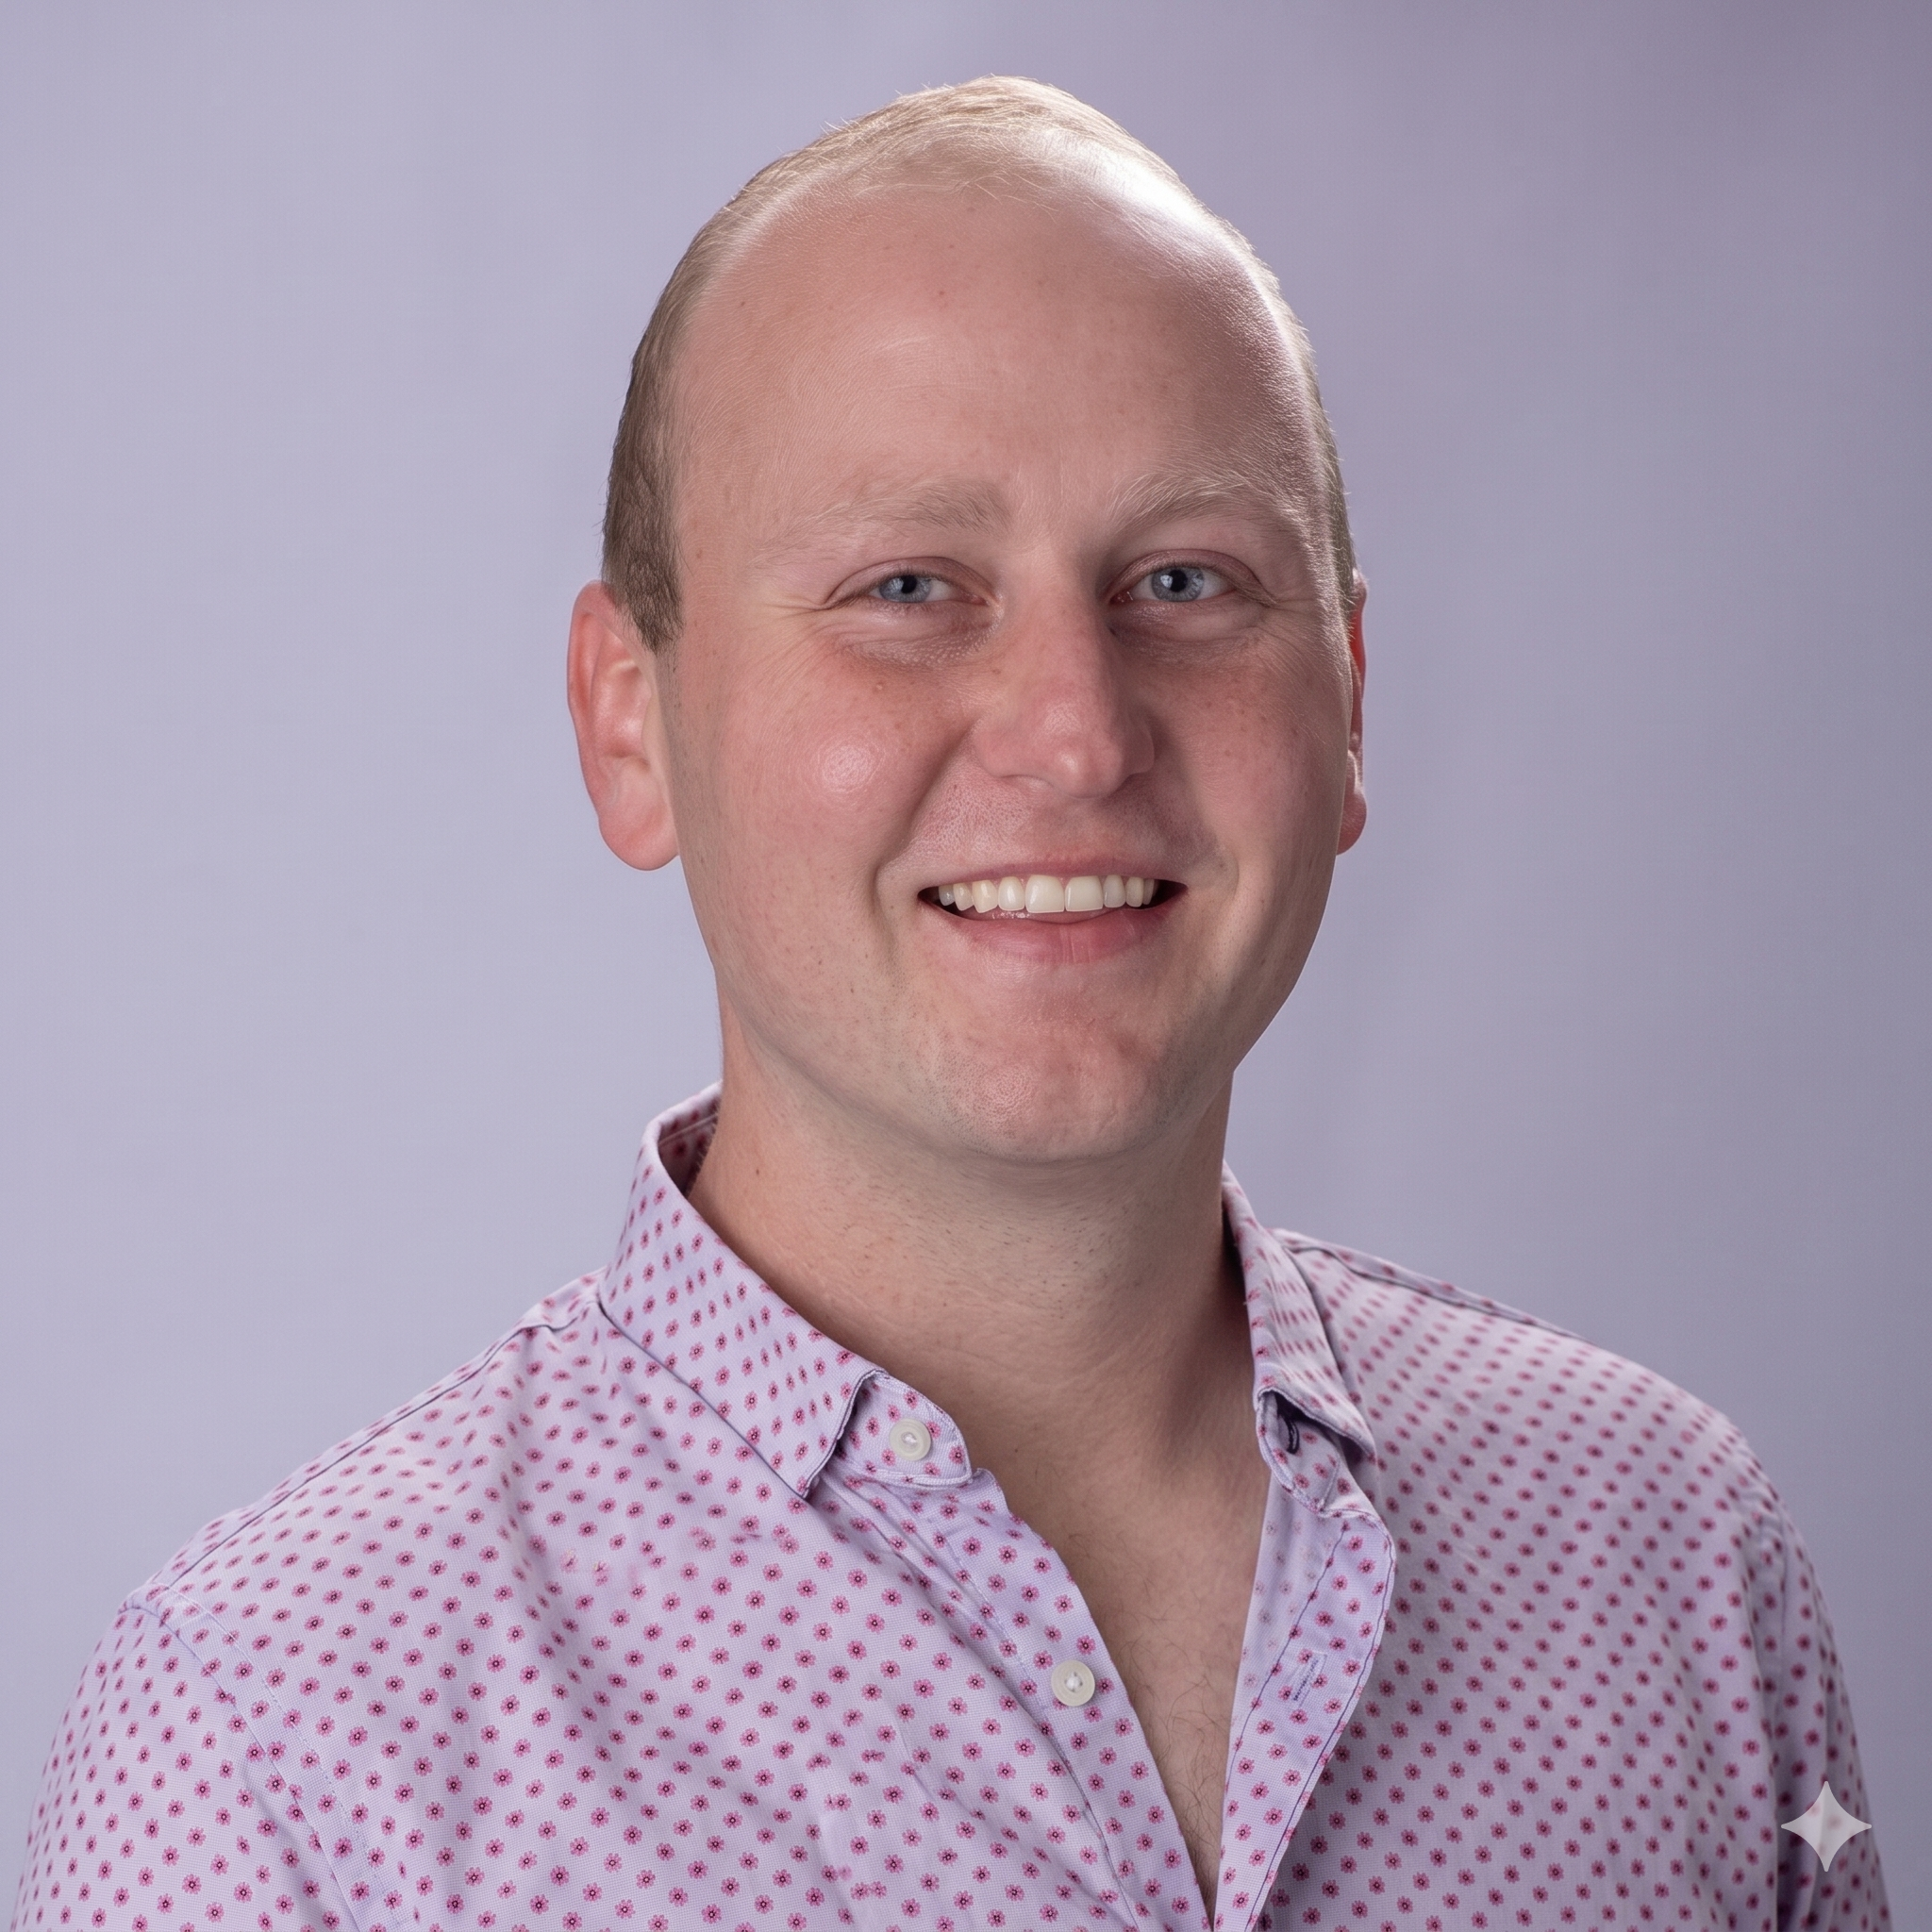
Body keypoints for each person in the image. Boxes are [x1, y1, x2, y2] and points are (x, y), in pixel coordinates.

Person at [14, 76, 1887, 1932]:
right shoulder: (276, 1748)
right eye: (909, 586)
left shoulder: (1667, 1555)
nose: (1074, 730)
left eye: (1184, 579)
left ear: (1348, 702)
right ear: (627, 722)